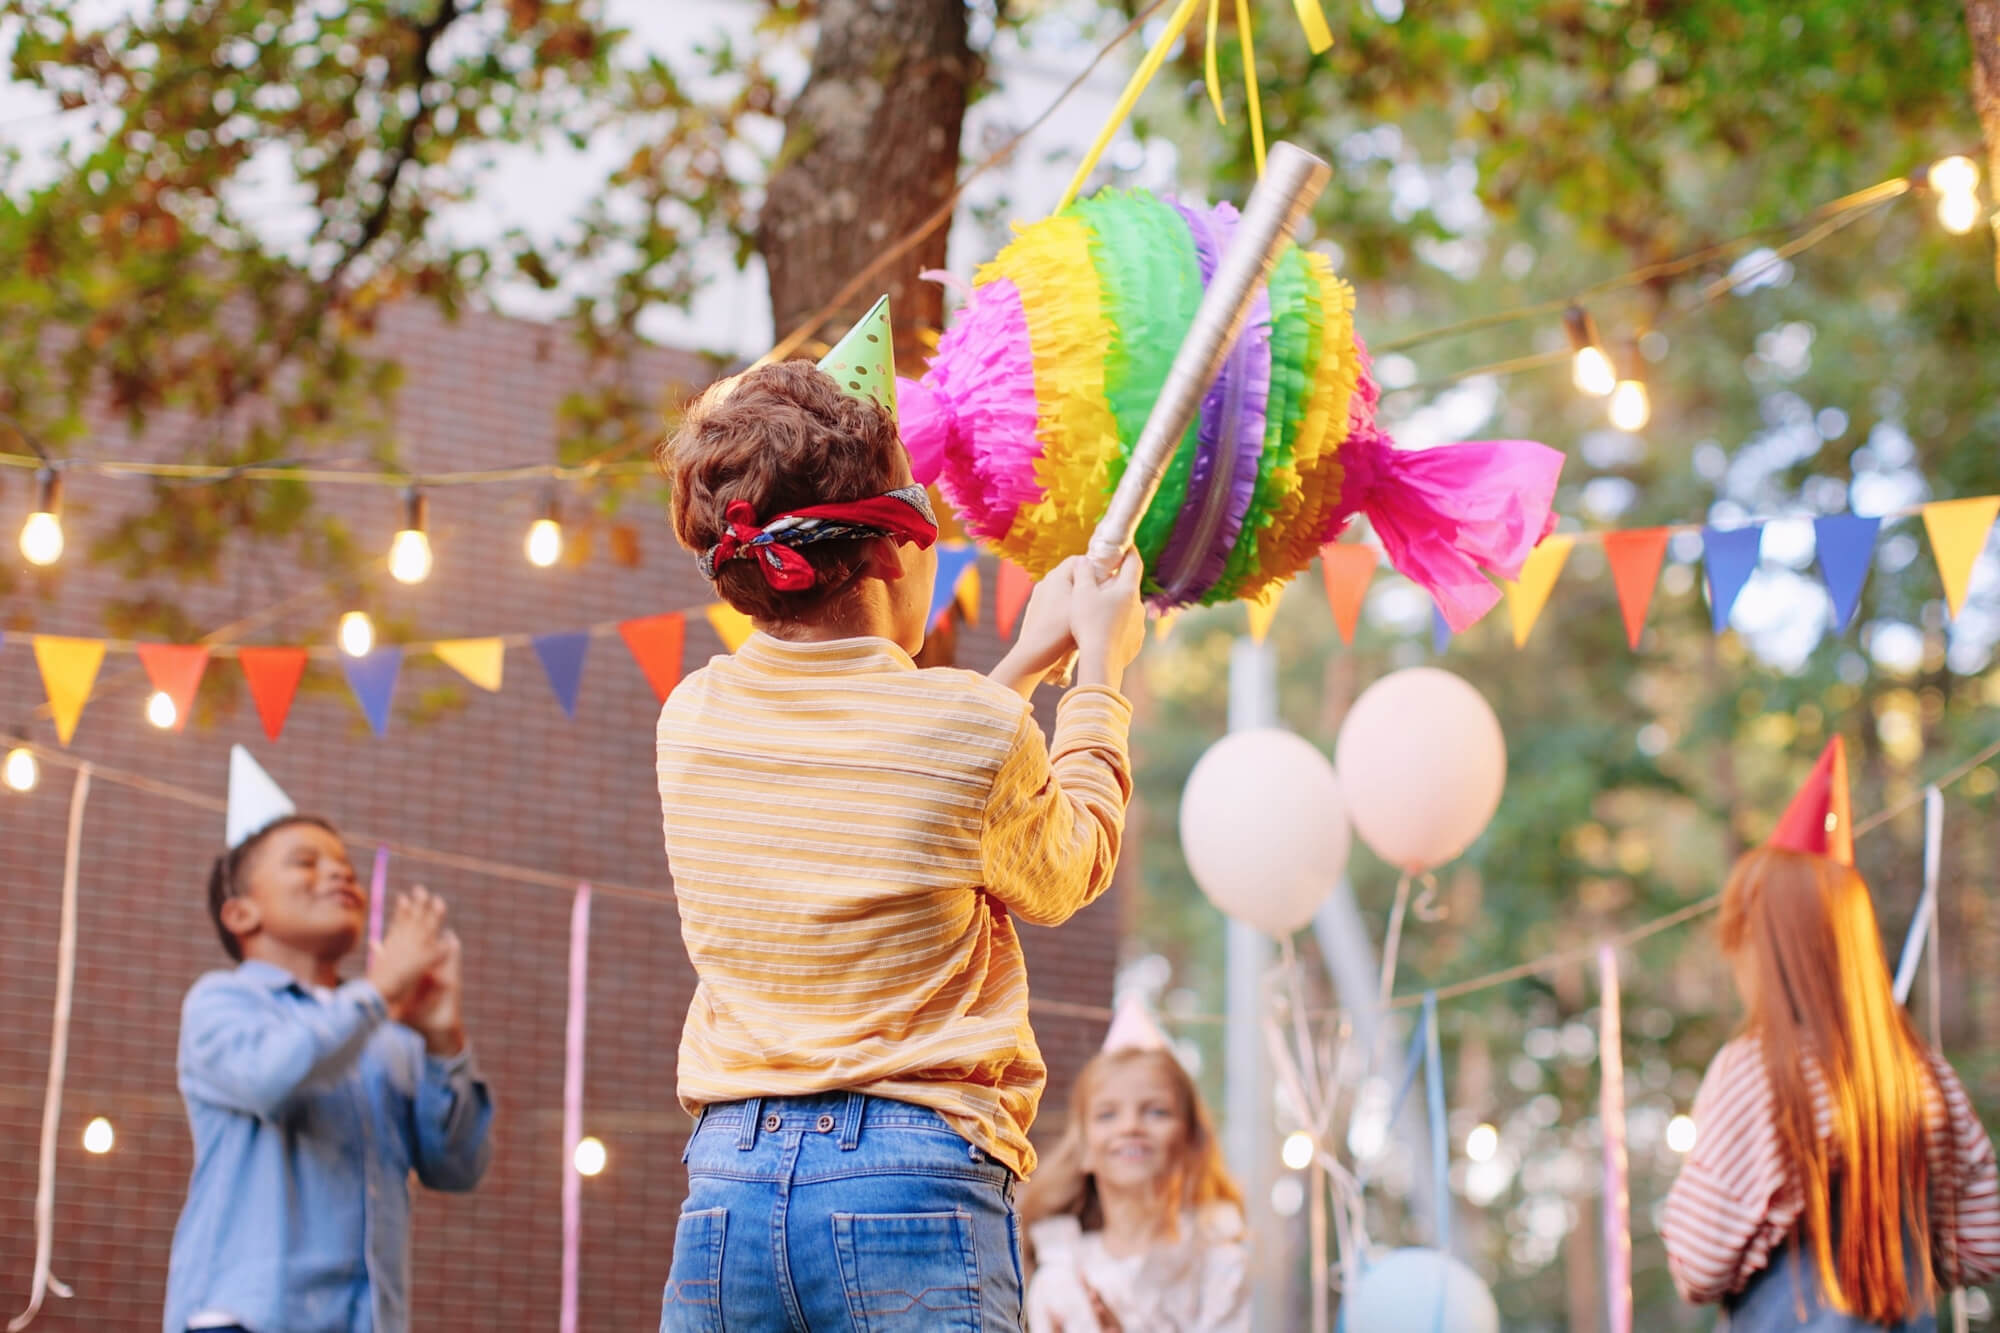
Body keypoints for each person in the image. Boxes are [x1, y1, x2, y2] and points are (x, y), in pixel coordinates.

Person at [653, 297, 1147, 1332]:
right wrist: (1098, 667)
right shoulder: (964, 731)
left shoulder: (688, 719)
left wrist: (1022, 665)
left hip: (727, 1192)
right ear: (894, 553)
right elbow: (1068, 864)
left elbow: (901, 772)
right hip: (913, 1177)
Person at [1662, 737, 2000, 1330]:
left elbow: (1698, 1262)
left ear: (1768, 946)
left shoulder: (1755, 1072)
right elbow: (1985, 1241)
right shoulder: (1925, 1077)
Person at [164, 747, 493, 1333]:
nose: (340, 874)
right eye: (305, 863)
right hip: (244, 1317)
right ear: (241, 915)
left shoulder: (386, 1033)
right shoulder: (221, 1002)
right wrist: (379, 988)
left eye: (345, 865)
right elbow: (272, 1074)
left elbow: (457, 1167)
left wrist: (444, 1039)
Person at [1019, 997, 1248, 1333]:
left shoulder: (1219, 1266)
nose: (1130, 1127)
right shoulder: (1062, 1273)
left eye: (1156, 1111)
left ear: (1191, 1141)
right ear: (1084, 1149)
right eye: (1107, 1114)